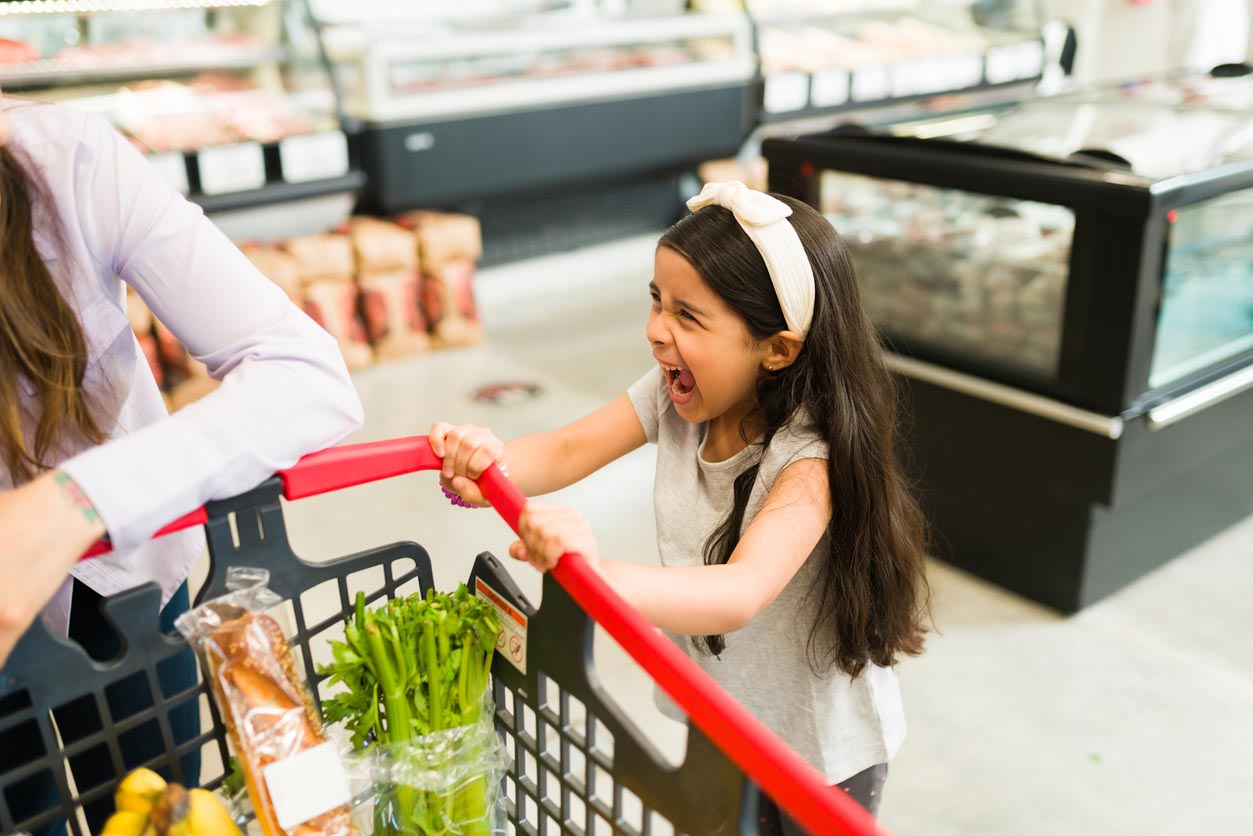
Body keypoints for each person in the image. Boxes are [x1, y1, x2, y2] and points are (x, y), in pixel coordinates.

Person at [429, 181, 931, 828]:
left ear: (775, 349)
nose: (654, 331)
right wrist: (486, 465)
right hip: (722, 717)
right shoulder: (676, 398)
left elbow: (738, 592)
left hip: (819, 752)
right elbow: (567, 447)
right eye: (655, 302)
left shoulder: (809, 461)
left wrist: (596, 574)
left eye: (687, 316)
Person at [0, 96, 363, 834]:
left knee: (156, 802)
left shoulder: (63, 159)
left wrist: (78, 499)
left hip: (125, 576)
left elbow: (307, 377)